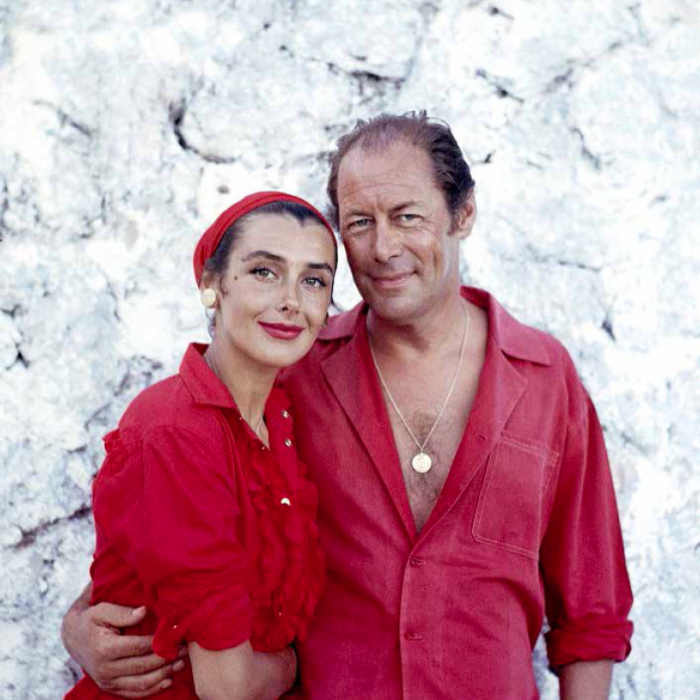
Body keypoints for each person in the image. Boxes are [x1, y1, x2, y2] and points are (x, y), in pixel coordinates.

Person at [63, 113, 633, 699]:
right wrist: (80, 627)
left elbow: (593, 609)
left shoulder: (545, 376)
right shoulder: (290, 371)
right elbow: (172, 532)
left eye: (408, 217)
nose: (384, 248)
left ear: (462, 215)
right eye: (361, 223)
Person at [63, 191, 337, 699]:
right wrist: (294, 663)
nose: (291, 301)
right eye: (263, 272)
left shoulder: (280, 415)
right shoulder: (174, 432)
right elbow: (227, 688)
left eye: (314, 281)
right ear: (213, 285)